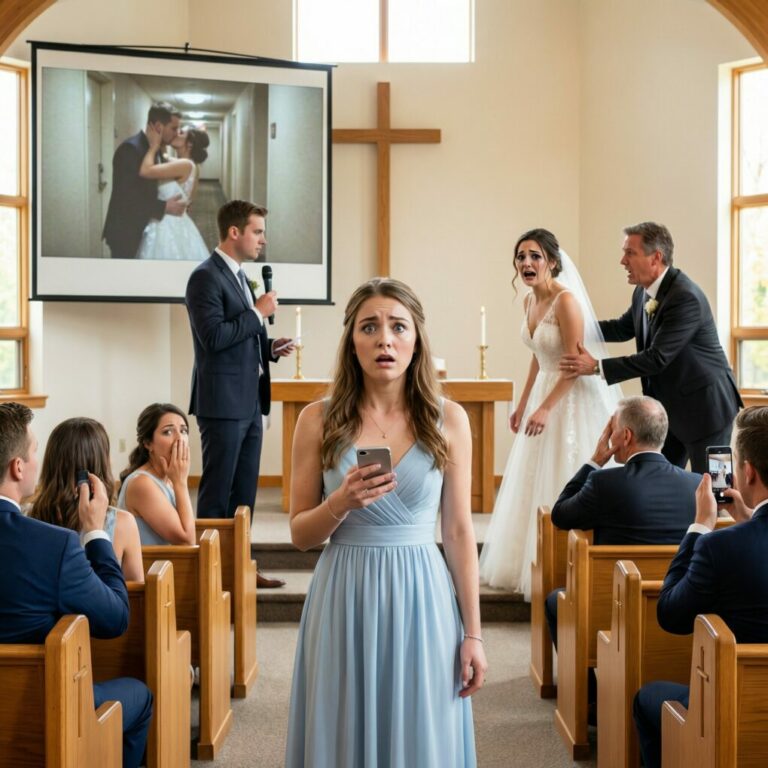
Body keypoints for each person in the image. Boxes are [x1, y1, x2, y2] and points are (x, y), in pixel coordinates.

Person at [285, 278, 486, 767]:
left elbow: (458, 532)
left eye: (398, 326)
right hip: (343, 592)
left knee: (421, 729)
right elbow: (299, 535)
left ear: (416, 338)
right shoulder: (317, 419)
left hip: (423, 596)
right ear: (352, 340)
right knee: (342, 728)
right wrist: (340, 503)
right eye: (369, 327)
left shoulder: (450, 419)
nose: (385, 339)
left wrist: (474, 634)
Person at [0, 403, 152, 768]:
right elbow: (115, 619)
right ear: (17, 466)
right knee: (140, 696)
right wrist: (96, 532)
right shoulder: (52, 545)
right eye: (33, 451)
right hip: (38, 706)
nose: (36, 460)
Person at [479, 228, 621, 599]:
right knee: (531, 477)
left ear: (552, 262)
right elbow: (538, 355)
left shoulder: (566, 302)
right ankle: (527, 561)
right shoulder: (528, 301)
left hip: (571, 397)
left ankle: (568, 568)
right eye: (521, 256)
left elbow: (573, 365)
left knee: (563, 471)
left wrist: (544, 407)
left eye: (535, 256)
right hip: (545, 387)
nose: (527, 263)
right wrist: (523, 402)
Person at [633, 406, 768, 768]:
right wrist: (750, 520)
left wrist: (700, 526)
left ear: (748, 472)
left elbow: (671, 614)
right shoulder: (738, 540)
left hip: (740, 708)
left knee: (647, 699)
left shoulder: (719, 546)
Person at [560, 221, 742, 473]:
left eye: (629, 253)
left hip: (708, 411)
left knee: (713, 490)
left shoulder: (685, 296)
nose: (622, 261)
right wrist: (568, 325)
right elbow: (622, 328)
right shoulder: (642, 292)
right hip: (669, 413)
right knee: (659, 480)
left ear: (656, 257)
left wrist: (596, 367)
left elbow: (657, 358)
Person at [186, 200, 294, 587]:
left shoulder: (238, 276)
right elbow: (213, 338)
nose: (263, 240)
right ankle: (208, 577)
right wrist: (258, 313)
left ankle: (240, 569)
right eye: (257, 231)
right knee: (217, 494)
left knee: (244, 494)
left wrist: (268, 348)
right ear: (235, 232)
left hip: (249, 402)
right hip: (222, 404)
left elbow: (239, 340)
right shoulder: (205, 277)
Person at [544, 396, 700, 647]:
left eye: (612, 430)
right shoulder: (696, 485)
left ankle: (588, 687)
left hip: (613, 608)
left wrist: (595, 460)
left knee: (555, 601)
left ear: (626, 436)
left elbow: (560, 515)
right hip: (679, 607)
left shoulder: (603, 483)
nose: (610, 436)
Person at [29, 417, 144, 581]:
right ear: (101, 464)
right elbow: (135, 595)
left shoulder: (27, 517)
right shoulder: (123, 523)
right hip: (101, 606)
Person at [102, 101, 187, 259]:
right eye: (174, 128)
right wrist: (164, 206)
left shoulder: (155, 150)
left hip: (145, 227)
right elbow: (127, 197)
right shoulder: (131, 149)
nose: (177, 133)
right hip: (126, 230)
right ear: (158, 126)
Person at [117, 403, 196, 545]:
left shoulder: (170, 478)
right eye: (168, 432)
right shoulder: (141, 483)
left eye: (183, 431)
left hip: (167, 564)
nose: (179, 439)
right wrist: (181, 483)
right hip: (152, 567)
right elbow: (187, 540)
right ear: (148, 443)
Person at [135, 126, 211, 261]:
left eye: (181, 132)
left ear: (190, 143)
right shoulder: (188, 164)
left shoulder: (184, 165)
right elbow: (164, 157)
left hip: (167, 225)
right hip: (176, 221)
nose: (176, 133)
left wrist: (153, 146)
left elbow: (145, 171)